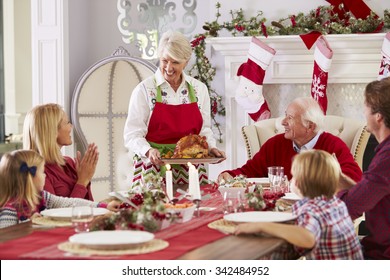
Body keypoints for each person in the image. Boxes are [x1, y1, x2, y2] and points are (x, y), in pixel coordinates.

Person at [123, 30, 225, 187]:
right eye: (165, 61)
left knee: (195, 210)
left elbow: (203, 130)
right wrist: (148, 151)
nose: (169, 68)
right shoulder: (144, 90)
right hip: (154, 169)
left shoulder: (199, 89)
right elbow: (132, 134)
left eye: (175, 62)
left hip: (191, 170)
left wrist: (211, 148)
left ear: (186, 61)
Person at [234, 150, 363, 260]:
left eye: (293, 176)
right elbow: (295, 216)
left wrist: (262, 226)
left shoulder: (312, 210)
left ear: (298, 183)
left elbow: (308, 237)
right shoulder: (336, 203)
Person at [218, 97, 362, 183]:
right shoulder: (275, 144)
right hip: (277, 212)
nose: (283, 122)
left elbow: (354, 176)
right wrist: (230, 175)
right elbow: (250, 170)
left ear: (310, 126)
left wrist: (316, 180)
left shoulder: (332, 145)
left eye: (290, 118)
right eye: (285, 115)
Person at [338, 77, 390, 259]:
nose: (363, 112)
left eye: (365, 107)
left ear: (378, 116)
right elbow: (368, 192)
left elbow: (347, 209)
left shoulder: (387, 158)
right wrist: (339, 178)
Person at [0, 150, 120, 229]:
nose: (45, 175)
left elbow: (69, 203)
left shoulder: (42, 197)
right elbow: (4, 239)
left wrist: (102, 206)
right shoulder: (10, 210)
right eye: (42, 172)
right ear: (30, 178)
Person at [23, 103, 98, 200]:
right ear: (53, 131)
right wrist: (82, 181)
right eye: (67, 123)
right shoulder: (37, 173)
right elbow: (54, 214)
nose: (71, 126)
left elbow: (89, 205)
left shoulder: (70, 163)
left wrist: (86, 179)